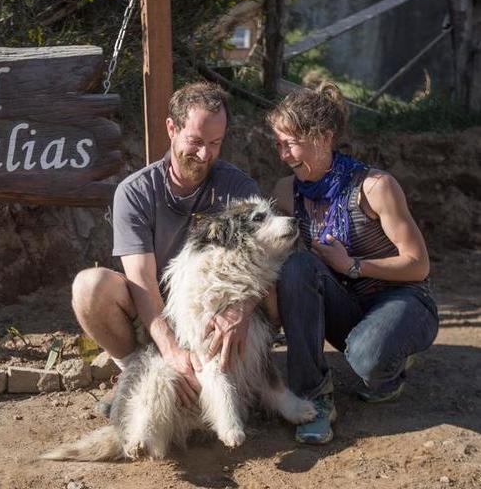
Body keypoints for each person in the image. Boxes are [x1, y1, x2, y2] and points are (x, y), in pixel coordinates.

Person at [71, 81, 261, 415]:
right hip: (155, 312)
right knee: (88, 286)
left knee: (289, 268)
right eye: (196, 142)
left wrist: (242, 310)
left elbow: (262, 259)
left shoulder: (237, 186)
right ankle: (140, 372)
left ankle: (253, 381)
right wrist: (172, 352)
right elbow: (141, 283)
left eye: (215, 143)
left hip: (210, 315)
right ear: (171, 128)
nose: (205, 155)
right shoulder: (134, 193)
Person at [268, 82, 439, 445]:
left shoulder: (375, 186)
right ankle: (312, 394)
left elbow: (418, 264)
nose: (284, 154)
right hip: (344, 303)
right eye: (279, 143)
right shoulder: (286, 191)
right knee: (297, 266)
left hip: (402, 300)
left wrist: (353, 265)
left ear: (325, 137)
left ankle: (389, 367)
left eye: (292, 143)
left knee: (369, 360)